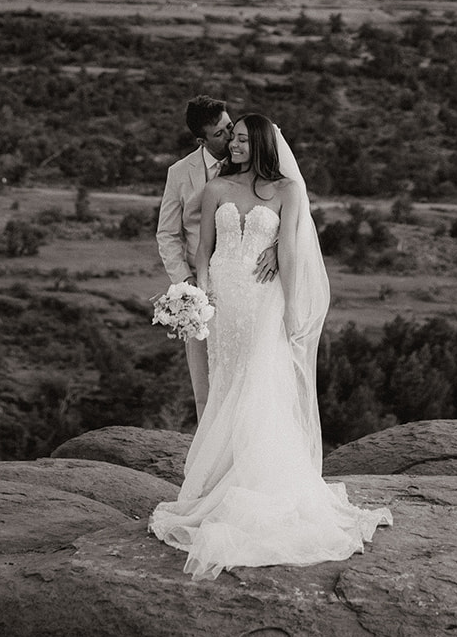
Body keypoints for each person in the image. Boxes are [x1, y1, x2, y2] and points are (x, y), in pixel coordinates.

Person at [150, 114, 391, 581]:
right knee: (227, 385)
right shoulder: (217, 187)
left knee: (260, 384)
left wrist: (291, 310)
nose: (232, 146)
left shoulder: (289, 191)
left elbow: (295, 251)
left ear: (259, 143)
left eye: (240, 139)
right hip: (223, 299)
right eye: (230, 138)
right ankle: (221, 482)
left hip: (263, 301)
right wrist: (201, 296)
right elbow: (203, 250)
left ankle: (262, 486)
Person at [156, 95, 277, 420]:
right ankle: (210, 461)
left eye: (230, 126)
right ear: (202, 140)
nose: (230, 136)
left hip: (250, 286)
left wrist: (277, 247)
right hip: (200, 289)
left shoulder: (257, 164)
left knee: (253, 382)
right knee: (206, 384)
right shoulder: (180, 173)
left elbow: (287, 216)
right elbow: (167, 234)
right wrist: (187, 285)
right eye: (221, 133)